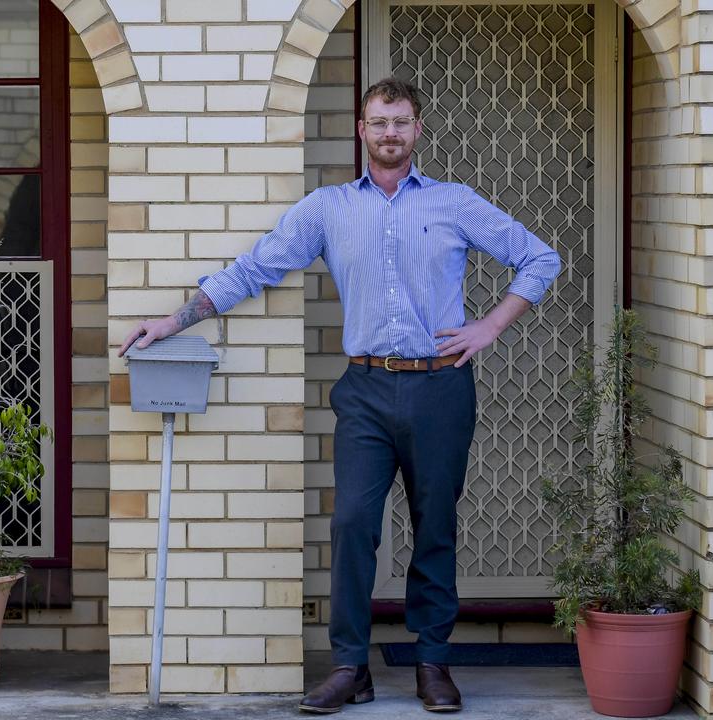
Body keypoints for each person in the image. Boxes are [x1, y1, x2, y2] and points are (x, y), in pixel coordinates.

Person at [118, 78, 561, 714]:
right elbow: (256, 267)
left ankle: (432, 661)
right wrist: (173, 321)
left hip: (441, 386)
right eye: (379, 122)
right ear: (361, 129)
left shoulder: (453, 202)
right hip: (366, 389)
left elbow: (539, 259)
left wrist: (490, 326)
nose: (389, 133)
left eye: (401, 122)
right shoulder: (329, 209)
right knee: (352, 523)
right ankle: (350, 666)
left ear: (417, 130)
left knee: (435, 525)